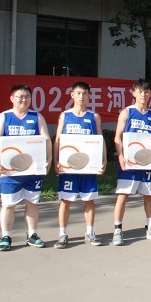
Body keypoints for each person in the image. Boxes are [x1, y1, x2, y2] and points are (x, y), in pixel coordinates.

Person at [0, 84, 52, 251]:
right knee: (8, 205)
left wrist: (49, 159)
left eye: (27, 97)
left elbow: (46, 139)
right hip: (10, 172)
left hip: (32, 171)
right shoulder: (3, 117)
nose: (24, 100)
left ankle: (32, 235)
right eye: (20, 96)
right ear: (12, 98)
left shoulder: (37, 117)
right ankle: (6, 236)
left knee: (32, 203)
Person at [53, 81, 106, 248]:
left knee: (89, 200)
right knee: (66, 201)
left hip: (88, 168)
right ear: (72, 95)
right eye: (78, 93)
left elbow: (100, 139)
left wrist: (104, 160)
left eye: (84, 93)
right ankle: (62, 234)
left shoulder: (94, 117)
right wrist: (55, 160)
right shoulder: (65, 116)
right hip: (69, 169)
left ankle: (90, 233)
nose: (81, 96)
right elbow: (58, 139)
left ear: (89, 95)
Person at [112, 78, 151, 246]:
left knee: (149, 195)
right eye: (140, 92)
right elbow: (117, 137)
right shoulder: (127, 112)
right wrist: (120, 156)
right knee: (123, 196)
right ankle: (118, 230)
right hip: (129, 163)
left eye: (146, 92)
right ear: (134, 93)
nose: (143, 95)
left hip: (148, 163)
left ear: (150, 94)